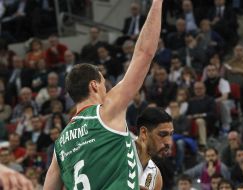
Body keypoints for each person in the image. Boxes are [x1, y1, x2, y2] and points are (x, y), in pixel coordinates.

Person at [44, 0, 163, 189]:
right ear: (94, 86)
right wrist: (157, 2)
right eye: (103, 83)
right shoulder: (106, 111)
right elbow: (144, 53)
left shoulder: (61, 143)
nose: (107, 88)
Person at [135, 107, 174, 189]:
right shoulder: (119, 151)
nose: (169, 142)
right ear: (144, 133)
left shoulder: (156, 177)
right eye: (162, 134)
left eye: (171, 134)